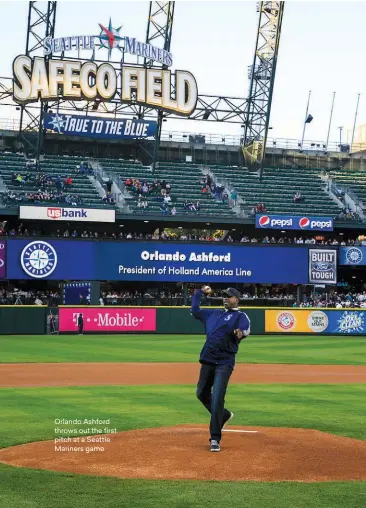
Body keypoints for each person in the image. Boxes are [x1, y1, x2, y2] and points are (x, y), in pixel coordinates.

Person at [191, 286, 250, 452]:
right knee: (201, 393)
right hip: (208, 359)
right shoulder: (213, 314)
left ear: (237, 299)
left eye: (229, 296)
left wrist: (240, 333)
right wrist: (199, 293)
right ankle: (223, 415)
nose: (226, 298)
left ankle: (215, 438)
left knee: (217, 396)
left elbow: (245, 329)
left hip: (225, 362)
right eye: (224, 296)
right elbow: (195, 310)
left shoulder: (240, 316)